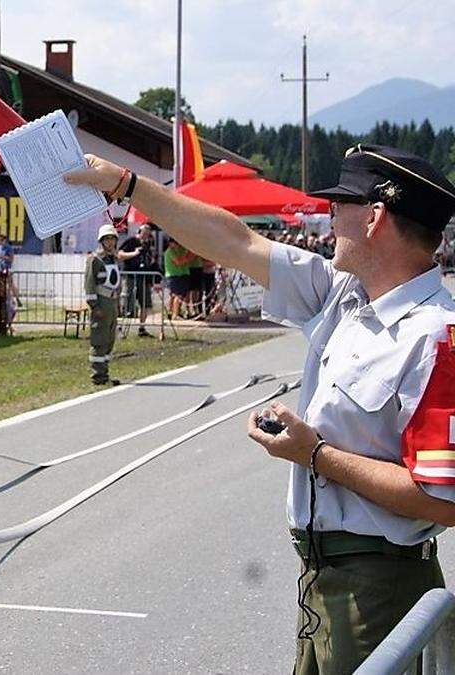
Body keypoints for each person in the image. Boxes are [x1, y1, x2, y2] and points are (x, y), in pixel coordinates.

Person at [65, 144, 455, 674]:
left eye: (340, 204)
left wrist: (314, 453)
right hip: (324, 579)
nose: (329, 215)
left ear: (375, 217)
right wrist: (126, 185)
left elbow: (440, 501)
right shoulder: (344, 294)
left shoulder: (436, 337)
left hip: (379, 588)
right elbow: (235, 241)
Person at [84, 223, 122, 386]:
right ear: (101, 241)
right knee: (99, 339)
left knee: (109, 339)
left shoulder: (113, 258)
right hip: (101, 302)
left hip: (112, 302)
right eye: (106, 239)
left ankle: (105, 373)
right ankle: (98, 376)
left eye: (112, 239)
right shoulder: (95, 259)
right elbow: (89, 284)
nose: (110, 242)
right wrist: (94, 306)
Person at [117, 223, 157, 337]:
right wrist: (134, 253)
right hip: (131, 277)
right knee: (128, 303)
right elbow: (120, 254)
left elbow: (150, 259)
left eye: (148, 235)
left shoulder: (148, 244)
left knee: (145, 303)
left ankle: (142, 328)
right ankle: (121, 327)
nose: (146, 236)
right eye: (144, 234)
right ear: (139, 232)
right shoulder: (131, 241)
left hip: (144, 277)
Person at [163, 238, 193, 319]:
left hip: (182, 275)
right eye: (175, 243)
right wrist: (188, 257)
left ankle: (172, 312)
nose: (177, 244)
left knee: (177, 296)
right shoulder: (170, 251)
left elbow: (187, 259)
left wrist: (187, 257)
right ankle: (175, 315)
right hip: (173, 275)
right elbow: (178, 262)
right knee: (177, 296)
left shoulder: (180, 250)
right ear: (170, 243)